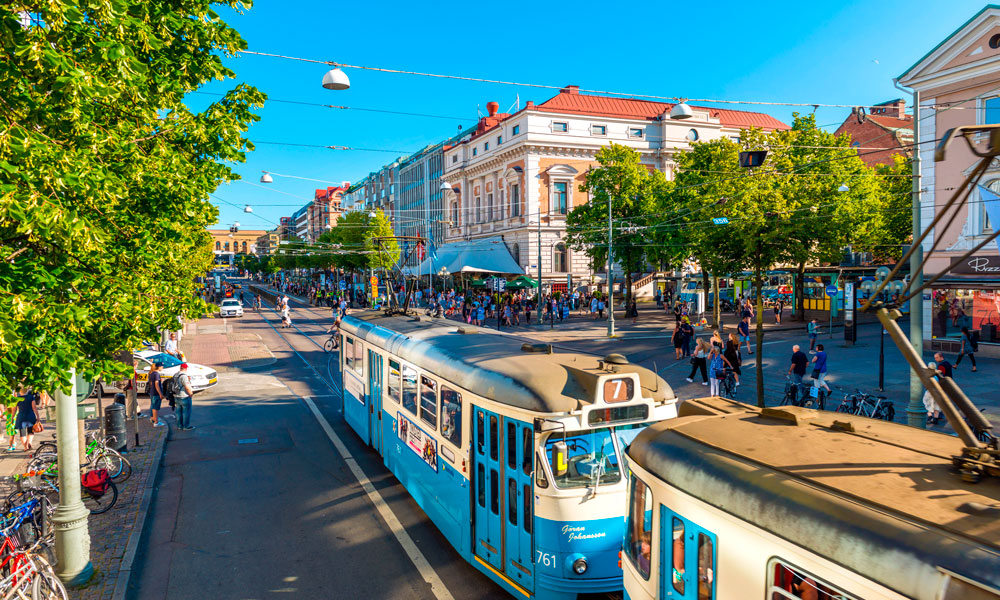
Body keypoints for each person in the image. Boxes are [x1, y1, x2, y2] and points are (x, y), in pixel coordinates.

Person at [174, 363, 195, 431]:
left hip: (176, 395)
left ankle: (179, 426)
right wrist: (191, 394)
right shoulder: (184, 376)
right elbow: (187, 387)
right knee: (186, 412)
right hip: (184, 396)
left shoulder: (175, 374)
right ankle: (186, 426)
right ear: (185, 369)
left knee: (178, 412)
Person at [923, 361, 943, 425]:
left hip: (930, 392)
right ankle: (935, 419)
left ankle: (929, 418)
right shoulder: (937, 375)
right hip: (937, 392)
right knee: (936, 406)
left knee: (929, 405)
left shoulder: (928, 375)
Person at [148, 362, 166, 428]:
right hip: (156, 393)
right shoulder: (156, 374)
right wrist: (160, 394)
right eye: (162, 366)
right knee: (156, 407)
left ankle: (152, 418)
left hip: (152, 392)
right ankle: (156, 422)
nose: (162, 367)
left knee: (152, 406)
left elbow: (151, 383)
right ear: (159, 367)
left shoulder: (152, 373)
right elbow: (156, 384)